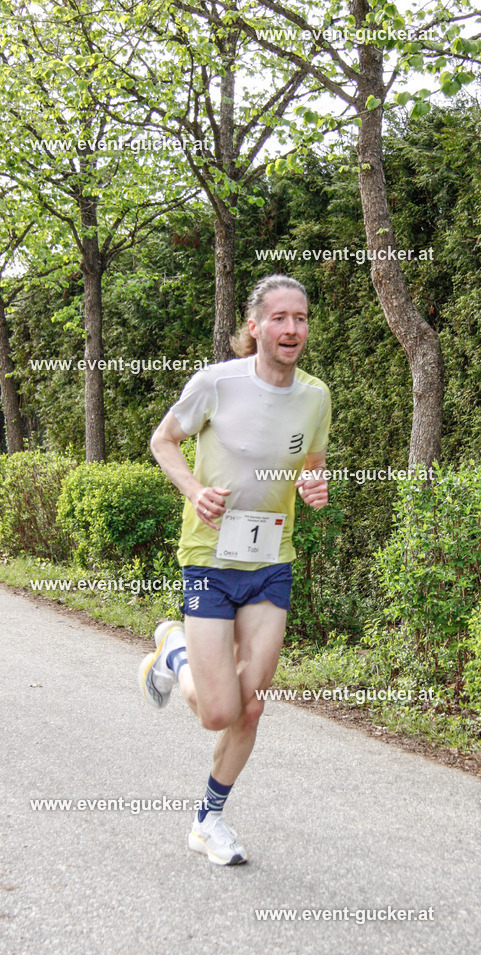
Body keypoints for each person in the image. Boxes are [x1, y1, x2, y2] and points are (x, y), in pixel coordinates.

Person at [137, 274, 331, 865]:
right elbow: (163, 440)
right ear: (255, 327)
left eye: (300, 317)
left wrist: (314, 486)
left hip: (272, 561)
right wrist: (195, 491)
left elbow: (312, 464)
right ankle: (172, 652)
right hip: (210, 561)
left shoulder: (315, 396)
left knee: (252, 706)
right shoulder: (217, 383)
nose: (292, 328)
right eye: (279, 318)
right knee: (218, 711)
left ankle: (208, 820)